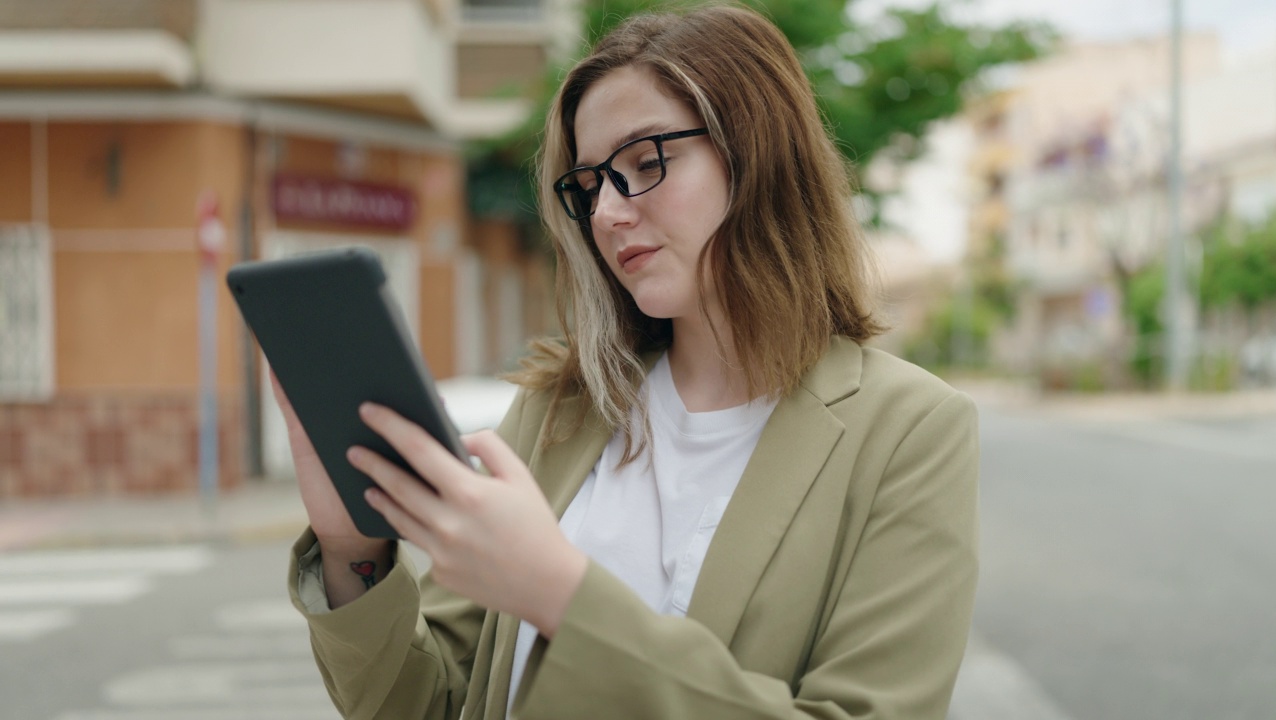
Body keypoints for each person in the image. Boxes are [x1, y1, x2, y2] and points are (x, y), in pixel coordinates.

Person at [280, 4, 980, 719]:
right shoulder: (562, 409)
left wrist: (559, 593)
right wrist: (352, 554)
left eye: (645, 164)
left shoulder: (910, 432)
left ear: (759, 155)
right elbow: (424, 706)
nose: (608, 213)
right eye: (588, 186)